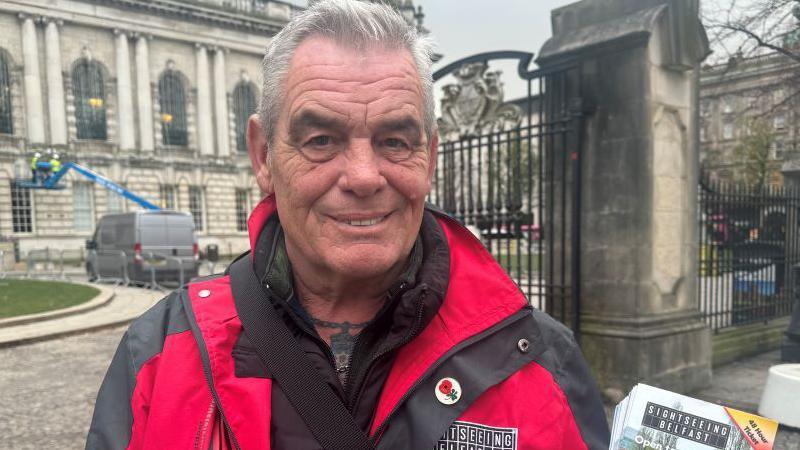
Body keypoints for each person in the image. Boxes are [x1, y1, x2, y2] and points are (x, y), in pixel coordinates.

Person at [85, 1, 609, 449]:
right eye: (321, 140)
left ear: (429, 158)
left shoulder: (543, 361)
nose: (363, 176)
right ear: (264, 155)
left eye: (394, 141)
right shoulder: (157, 353)